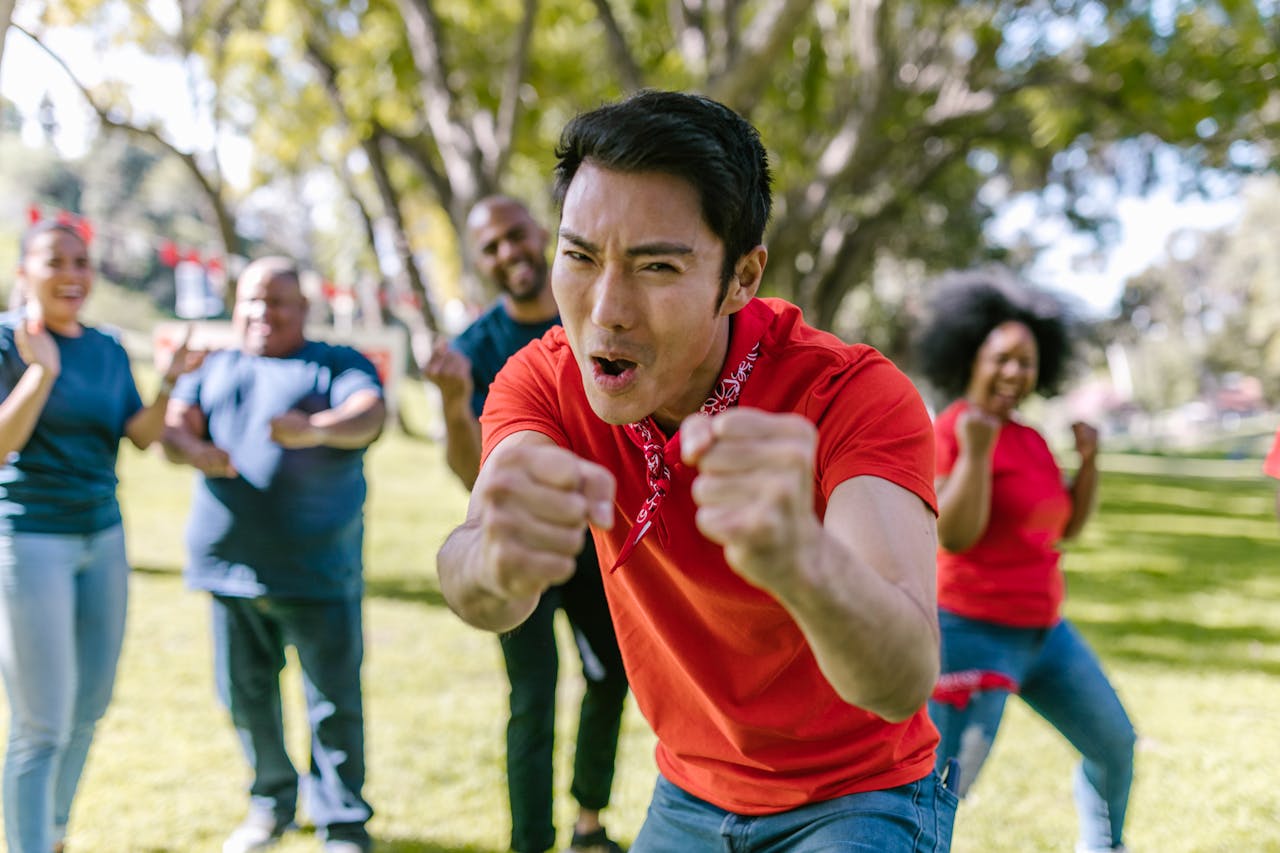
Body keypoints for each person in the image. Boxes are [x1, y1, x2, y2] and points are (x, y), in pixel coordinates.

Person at [436, 89, 957, 851]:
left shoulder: (851, 394)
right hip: (688, 792)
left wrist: (800, 559)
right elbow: (469, 569)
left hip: (859, 793)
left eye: (656, 266)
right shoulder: (542, 379)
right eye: (579, 256)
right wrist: (496, 560)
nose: (607, 309)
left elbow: (901, 676)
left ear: (742, 277)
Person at [424, 197, 629, 853]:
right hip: (521, 546)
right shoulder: (475, 348)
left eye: (515, 236)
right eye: (490, 247)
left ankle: (589, 820)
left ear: (541, 232)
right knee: (532, 695)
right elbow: (468, 474)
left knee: (609, 676)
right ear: (480, 261)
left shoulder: (599, 317)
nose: (508, 252)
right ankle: (530, 842)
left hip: (600, 540)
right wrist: (457, 405)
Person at [161, 257, 385, 853]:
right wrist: (192, 448)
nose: (263, 312)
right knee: (244, 695)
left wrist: (316, 429)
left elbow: (369, 415)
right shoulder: (218, 365)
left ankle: (342, 824)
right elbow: (175, 426)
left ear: (303, 309)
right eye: (252, 301)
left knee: (332, 703)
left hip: (316, 572)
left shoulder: (337, 363)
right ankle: (271, 804)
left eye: (277, 301)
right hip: (230, 569)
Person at [913, 270, 1135, 853]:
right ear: (971, 356)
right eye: (1003, 357)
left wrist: (1088, 462)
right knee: (942, 786)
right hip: (969, 633)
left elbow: (1067, 527)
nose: (1015, 372)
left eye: (1027, 362)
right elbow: (954, 537)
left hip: (1044, 634)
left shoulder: (1031, 439)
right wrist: (977, 453)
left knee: (1113, 743)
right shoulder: (953, 429)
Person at [0, 219, 201, 853]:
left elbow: (139, 435)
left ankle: (52, 835)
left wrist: (169, 380)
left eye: (82, 262)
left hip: (103, 538)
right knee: (41, 723)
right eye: (55, 260)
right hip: (31, 540)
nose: (72, 274)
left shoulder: (109, 347)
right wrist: (40, 373)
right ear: (24, 273)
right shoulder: (8, 344)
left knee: (89, 706)